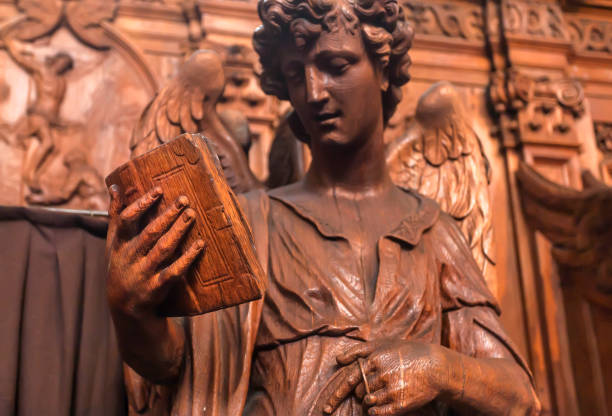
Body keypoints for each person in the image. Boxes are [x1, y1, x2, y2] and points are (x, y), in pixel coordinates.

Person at [106, 0, 541, 414]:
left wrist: (440, 368)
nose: (314, 92)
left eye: (336, 66)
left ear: (383, 69)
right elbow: (182, 366)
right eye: (296, 73)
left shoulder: (432, 231)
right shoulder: (252, 222)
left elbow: (519, 396)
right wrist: (131, 309)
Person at [3, 33, 73, 192]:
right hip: (38, 115)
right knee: (48, 142)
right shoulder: (42, 70)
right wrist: (10, 46)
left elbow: (55, 105)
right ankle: (29, 175)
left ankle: (31, 174)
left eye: (67, 66)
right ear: (57, 60)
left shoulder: (61, 82)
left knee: (53, 147)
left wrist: (60, 122)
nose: (64, 67)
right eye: (63, 62)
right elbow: (22, 60)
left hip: (48, 118)